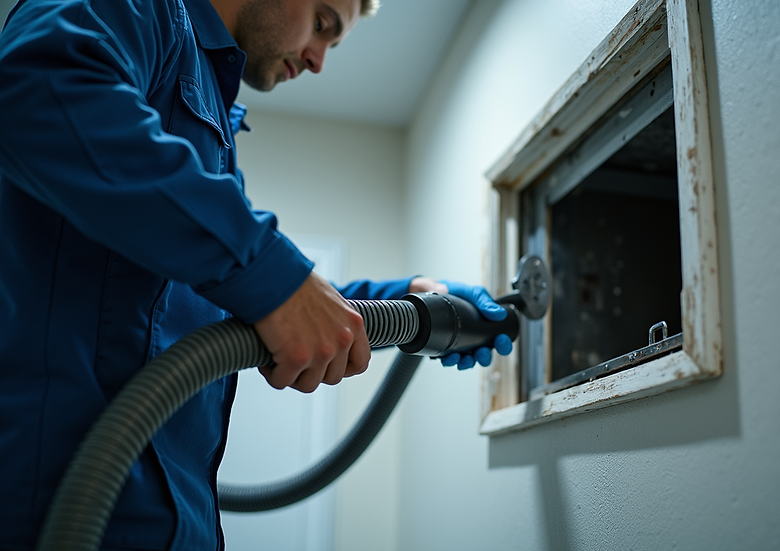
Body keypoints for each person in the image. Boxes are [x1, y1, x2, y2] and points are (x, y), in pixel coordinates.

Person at [0, 0, 511, 548]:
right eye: (321, 24)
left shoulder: (210, 114)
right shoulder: (138, 10)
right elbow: (40, 92)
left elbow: (230, 299)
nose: (318, 61)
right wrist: (273, 277)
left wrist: (409, 302)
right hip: (59, 515)